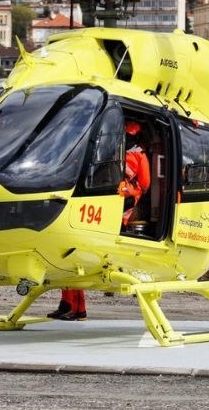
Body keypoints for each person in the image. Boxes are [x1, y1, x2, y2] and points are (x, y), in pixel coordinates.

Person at [48, 120, 150, 322]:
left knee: (76, 256)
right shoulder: (108, 150)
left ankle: (76, 308)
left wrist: (130, 193)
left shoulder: (137, 155)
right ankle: (67, 304)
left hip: (120, 204)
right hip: (100, 199)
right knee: (66, 253)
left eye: (128, 136)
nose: (126, 139)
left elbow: (144, 184)